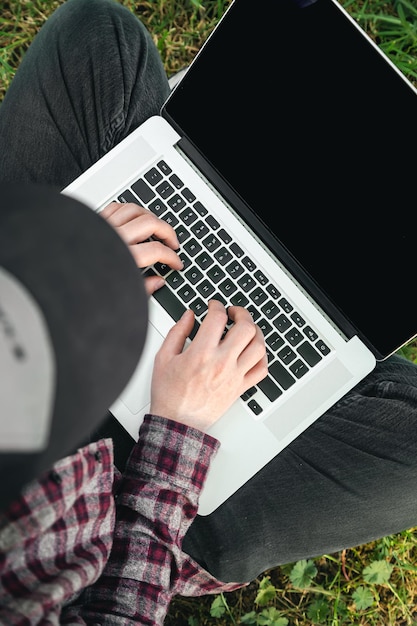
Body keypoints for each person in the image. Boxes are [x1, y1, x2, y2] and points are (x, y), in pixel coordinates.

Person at [1, 0, 417, 623]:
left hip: (32, 354)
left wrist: (53, 279)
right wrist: (178, 429)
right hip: (133, 514)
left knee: (96, 37)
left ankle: (201, 154)